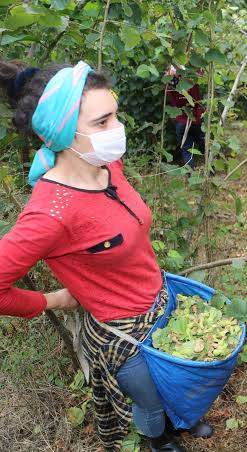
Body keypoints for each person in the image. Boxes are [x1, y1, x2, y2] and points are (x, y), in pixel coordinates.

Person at [0, 60, 212, 452]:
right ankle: (158, 439)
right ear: (64, 134)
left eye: (115, 114)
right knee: (148, 399)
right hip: (123, 333)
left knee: (174, 378)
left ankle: (181, 417)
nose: (117, 129)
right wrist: (51, 300)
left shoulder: (107, 163)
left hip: (160, 300)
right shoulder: (50, 214)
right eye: (102, 122)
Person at [166, 65, 205, 169]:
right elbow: (197, 101)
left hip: (181, 121)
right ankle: (211, 167)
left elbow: (174, 104)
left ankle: (191, 172)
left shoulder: (170, 88)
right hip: (194, 118)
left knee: (186, 148)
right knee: (203, 144)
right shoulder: (191, 83)